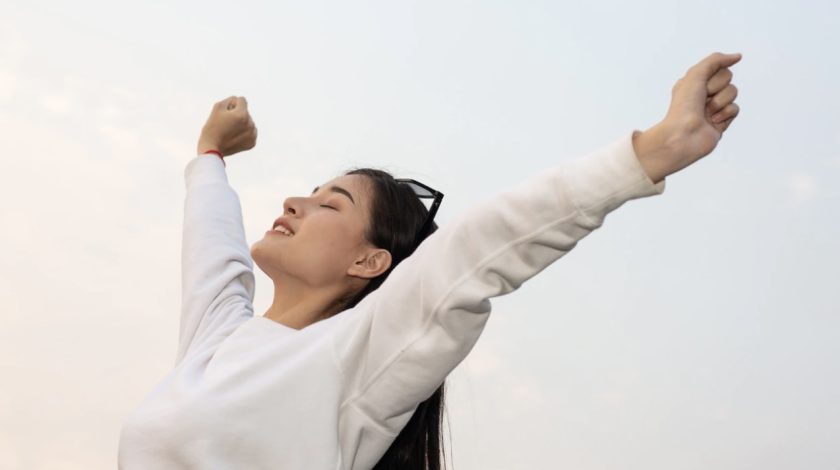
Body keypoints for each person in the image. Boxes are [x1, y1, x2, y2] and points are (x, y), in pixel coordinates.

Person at [118, 51, 742, 469]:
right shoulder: (216, 339)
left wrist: (651, 153)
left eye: (331, 203)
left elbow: (478, 247)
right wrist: (209, 156)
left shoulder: (358, 358)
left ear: (370, 261)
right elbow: (212, 249)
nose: (295, 202)